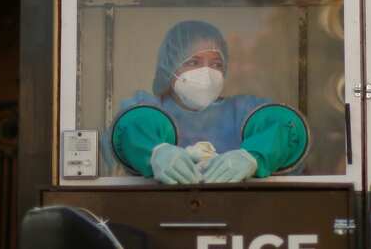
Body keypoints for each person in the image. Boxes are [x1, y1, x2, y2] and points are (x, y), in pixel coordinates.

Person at [105, 20, 307, 184]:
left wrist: (253, 156)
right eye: (193, 62)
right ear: (170, 67)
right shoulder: (149, 108)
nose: (207, 73)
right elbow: (131, 128)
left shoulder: (242, 111)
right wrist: (156, 152)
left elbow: (286, 127)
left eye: (216, 64)